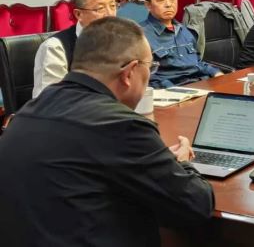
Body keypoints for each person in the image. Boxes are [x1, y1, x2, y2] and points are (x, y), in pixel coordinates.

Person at [0, 17, 214, 246]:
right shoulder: (121, 125)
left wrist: (153, 161)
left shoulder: (27, 112)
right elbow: (196, 204)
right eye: (151, 68)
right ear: (129, 73)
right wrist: (182, 163)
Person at [33, 0, 117, 97]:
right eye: (100, 8)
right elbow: (50, 101)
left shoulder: (121, 41)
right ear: (78, 14)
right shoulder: (56, 48)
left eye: (113, 6)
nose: (110, 14)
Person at [140, 0, 222, 88]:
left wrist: (216, 73)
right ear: (148, 5)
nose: (168, 4)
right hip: (170, 91)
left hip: (200, 85)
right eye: (161, 0)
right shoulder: (140, 35)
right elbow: (145, 76)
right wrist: (174, 90)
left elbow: (198, 62)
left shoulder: (184, 30)